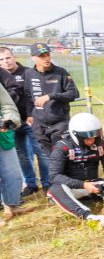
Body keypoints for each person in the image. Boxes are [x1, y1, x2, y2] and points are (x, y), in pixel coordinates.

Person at [46, 112, 104, 225]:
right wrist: (84, 185)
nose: (92, 141)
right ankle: (89, 217)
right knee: (55, 189)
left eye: (94, 136)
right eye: (87, 138)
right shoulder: (62, 147)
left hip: (95, 186)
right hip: (73, 188)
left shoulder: (102, 145)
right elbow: (54, 176)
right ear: (76, 135)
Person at [0, 47, 50, 196]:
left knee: (40, 152)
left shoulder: (28, 72)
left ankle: (47, 183)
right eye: (1, 60)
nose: (5, 62)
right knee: (21, 155)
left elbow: (32, 96)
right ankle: (30, 184)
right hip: (10, 123)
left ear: (13, 57)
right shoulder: (1, 75)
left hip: (30, 119)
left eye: (8, 58)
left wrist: (31, 114)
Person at [24, 43, 79, 154]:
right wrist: (30, 114)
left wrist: (51, 96)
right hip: (39, 126)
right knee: (47, 160)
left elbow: (74, 94)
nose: (46, 58)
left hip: (59, 124)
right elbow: (28, 95)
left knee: (62, 157)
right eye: (42, 56)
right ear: (33, 58)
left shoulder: (61, 72)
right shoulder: (29, 73)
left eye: (48, 54)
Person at [0, 82, 25, 225]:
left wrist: (9, 120)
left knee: (13, 173)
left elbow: (7, 105)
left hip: (3, 138)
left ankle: (12, 206)